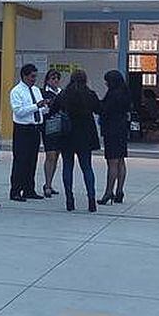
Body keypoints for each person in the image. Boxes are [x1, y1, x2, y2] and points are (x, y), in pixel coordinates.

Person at [50, 70, 100, 213]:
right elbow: (99, 109)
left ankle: (69, 199)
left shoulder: (63, 95)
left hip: (67, 135)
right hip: (85, 136)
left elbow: (53, 110)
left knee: (67, 166)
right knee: (87, 167)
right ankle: (91, 200)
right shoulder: (90, 94)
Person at [9, 64, 49, 202]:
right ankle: (15, 190)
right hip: (22, 129)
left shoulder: (36, 90)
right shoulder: (16, 91)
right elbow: (19, 111)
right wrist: (36, 106)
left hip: (35, 128)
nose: (34, 79)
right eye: (32, 76)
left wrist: (45, 107)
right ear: (24, 76)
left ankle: (29, 189)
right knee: (21, 160)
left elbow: (39, 110)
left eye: (35, 76)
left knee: (32, 160)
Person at [98, 70, 131, 205]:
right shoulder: (125, 93)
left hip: (111, 130)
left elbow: (104, 109)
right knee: (121, 161)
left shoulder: (112, 94)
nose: (106, 83)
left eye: (107, 81)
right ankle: (119, 191)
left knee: (112, 162)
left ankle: (108, 192)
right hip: (122, 129)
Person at [40, 69, 62, 198]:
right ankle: (47, 185)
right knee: (50, 155)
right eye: (53, 78)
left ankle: (50, 183)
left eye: (57, 78)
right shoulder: (43, 93)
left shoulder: (61, 92)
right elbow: (43, 110)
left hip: (60, 127)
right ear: (47, 80)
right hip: (49, 126)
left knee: (56, 155)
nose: (56, 81)